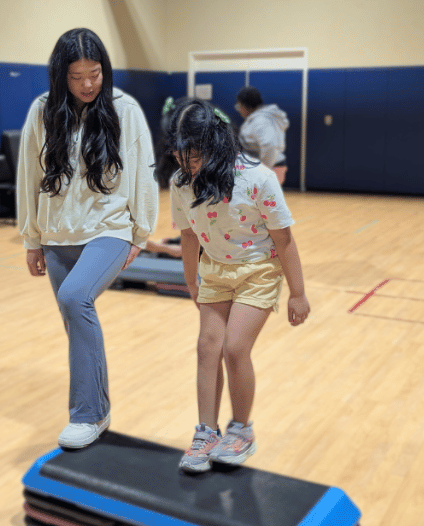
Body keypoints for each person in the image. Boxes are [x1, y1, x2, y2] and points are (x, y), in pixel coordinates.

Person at [16, 28, 159, 449]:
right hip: (57, 234)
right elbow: (30, 177)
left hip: (109, 229)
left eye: (94, 74)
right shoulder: (41, 112)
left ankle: (86, 414)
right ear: (61, 77)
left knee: (75, 297)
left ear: (104, 70)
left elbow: (142, 171)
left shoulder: (124, 108)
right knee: (75, 324)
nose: (87, 85)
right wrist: (32, 238)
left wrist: (141, 232)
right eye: (76, 77)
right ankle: (99, 412)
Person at [165, 98, 310, 473]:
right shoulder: (181, 183)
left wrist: (297, 293)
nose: (186, 165)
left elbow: (284, 240)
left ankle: (241, 430)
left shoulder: (257, 177)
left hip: (258, 270)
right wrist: (190, 280)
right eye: (180, 156)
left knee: (233, 348)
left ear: (214, 144)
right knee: (206, 348)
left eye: (194, 156)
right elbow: (188, 236)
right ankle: (206, 432)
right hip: (214, 270)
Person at [235, 86, 289, 185]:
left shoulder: (261, 121)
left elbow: (270, 146)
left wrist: (262, 172)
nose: (239, 110)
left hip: (271, 167)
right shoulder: (259, 119)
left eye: (239, 106)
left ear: (244, 106)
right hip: (270, 167)